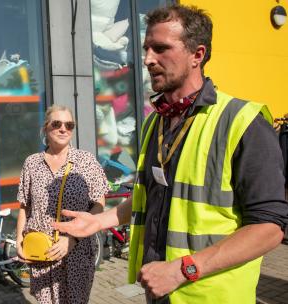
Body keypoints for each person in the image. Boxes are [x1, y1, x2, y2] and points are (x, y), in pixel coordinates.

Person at [54, 4, 288, 304]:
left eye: (161, 48)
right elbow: (151, 195)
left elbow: (269, 228)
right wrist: (98, 222)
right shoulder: (155, 121)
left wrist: (182, 270)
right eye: (147, 48)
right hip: (160, 292)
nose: (148, 59)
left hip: (211, 296)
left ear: (197, 55)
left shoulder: (242, 122)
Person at [16, 105, 109, 304]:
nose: (63, 129)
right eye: (56, 123)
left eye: (69, 125)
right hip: (41, 252)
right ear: (45, 128)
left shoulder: (86, 161)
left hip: (77, 251)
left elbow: (99, 204)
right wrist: (18, 240)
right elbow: (24, 206)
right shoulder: (32, 163)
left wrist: (72, 239)